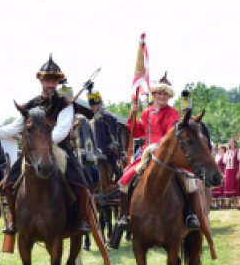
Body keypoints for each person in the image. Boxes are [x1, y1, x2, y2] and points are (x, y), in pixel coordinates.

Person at [0, 55, 91, 235]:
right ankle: (13, 219)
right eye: (48, 80)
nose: (51, 84)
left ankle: (81, 221)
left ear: (58, 82)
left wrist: (42, 141)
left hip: (60, 151)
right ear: (41, 80)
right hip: (33, 152)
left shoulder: (66, 105)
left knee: (80, 182)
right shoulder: (30, 105)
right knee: (9, 183)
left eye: (54, 80)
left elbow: (60, 132)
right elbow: (14, 128)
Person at [116, 73, 199, 232]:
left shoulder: (173, 113)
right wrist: (132, 113)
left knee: (189, 180)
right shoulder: (147, 112)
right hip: (146, 153)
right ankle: (124, 215)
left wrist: (158, 146)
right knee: (125, 180)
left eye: (165, 94)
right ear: (153, 95)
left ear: (169, 96)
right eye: (159, 93)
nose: (162, 96)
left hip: (167, 153)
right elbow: (137, 131)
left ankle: (191, 215)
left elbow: (170, 135)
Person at [88, 86, 123, 183]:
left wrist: (99, 152)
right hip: (116, 153)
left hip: (106, 153)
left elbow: (100, 138)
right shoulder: (111, 115)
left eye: (92, 106)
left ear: (93, 105)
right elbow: (118, 135)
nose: (91, 108)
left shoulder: (99, 117)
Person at [222, 138, 240, 210]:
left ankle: (238, 204)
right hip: (228, 171)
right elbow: (225, 164)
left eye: (231, 142)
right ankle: (233, 203)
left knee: (236, 186)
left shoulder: (238, 151)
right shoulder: (227, 152)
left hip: (235, 170)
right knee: (230, 187)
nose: (229, 143)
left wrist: (239, 172)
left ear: (234, 143)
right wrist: (224, 173)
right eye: (229, 142)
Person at [212, 144, 227, 209]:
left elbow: (226, 164)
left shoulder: (225, 156)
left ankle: (223, 203)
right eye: (218, 149)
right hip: (217, 171)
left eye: (220, 149)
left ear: (223, 150)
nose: (218, 150)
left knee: (223, 187)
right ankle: (217, 203)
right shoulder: (217, 156)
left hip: (223, 171)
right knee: (217, 187)